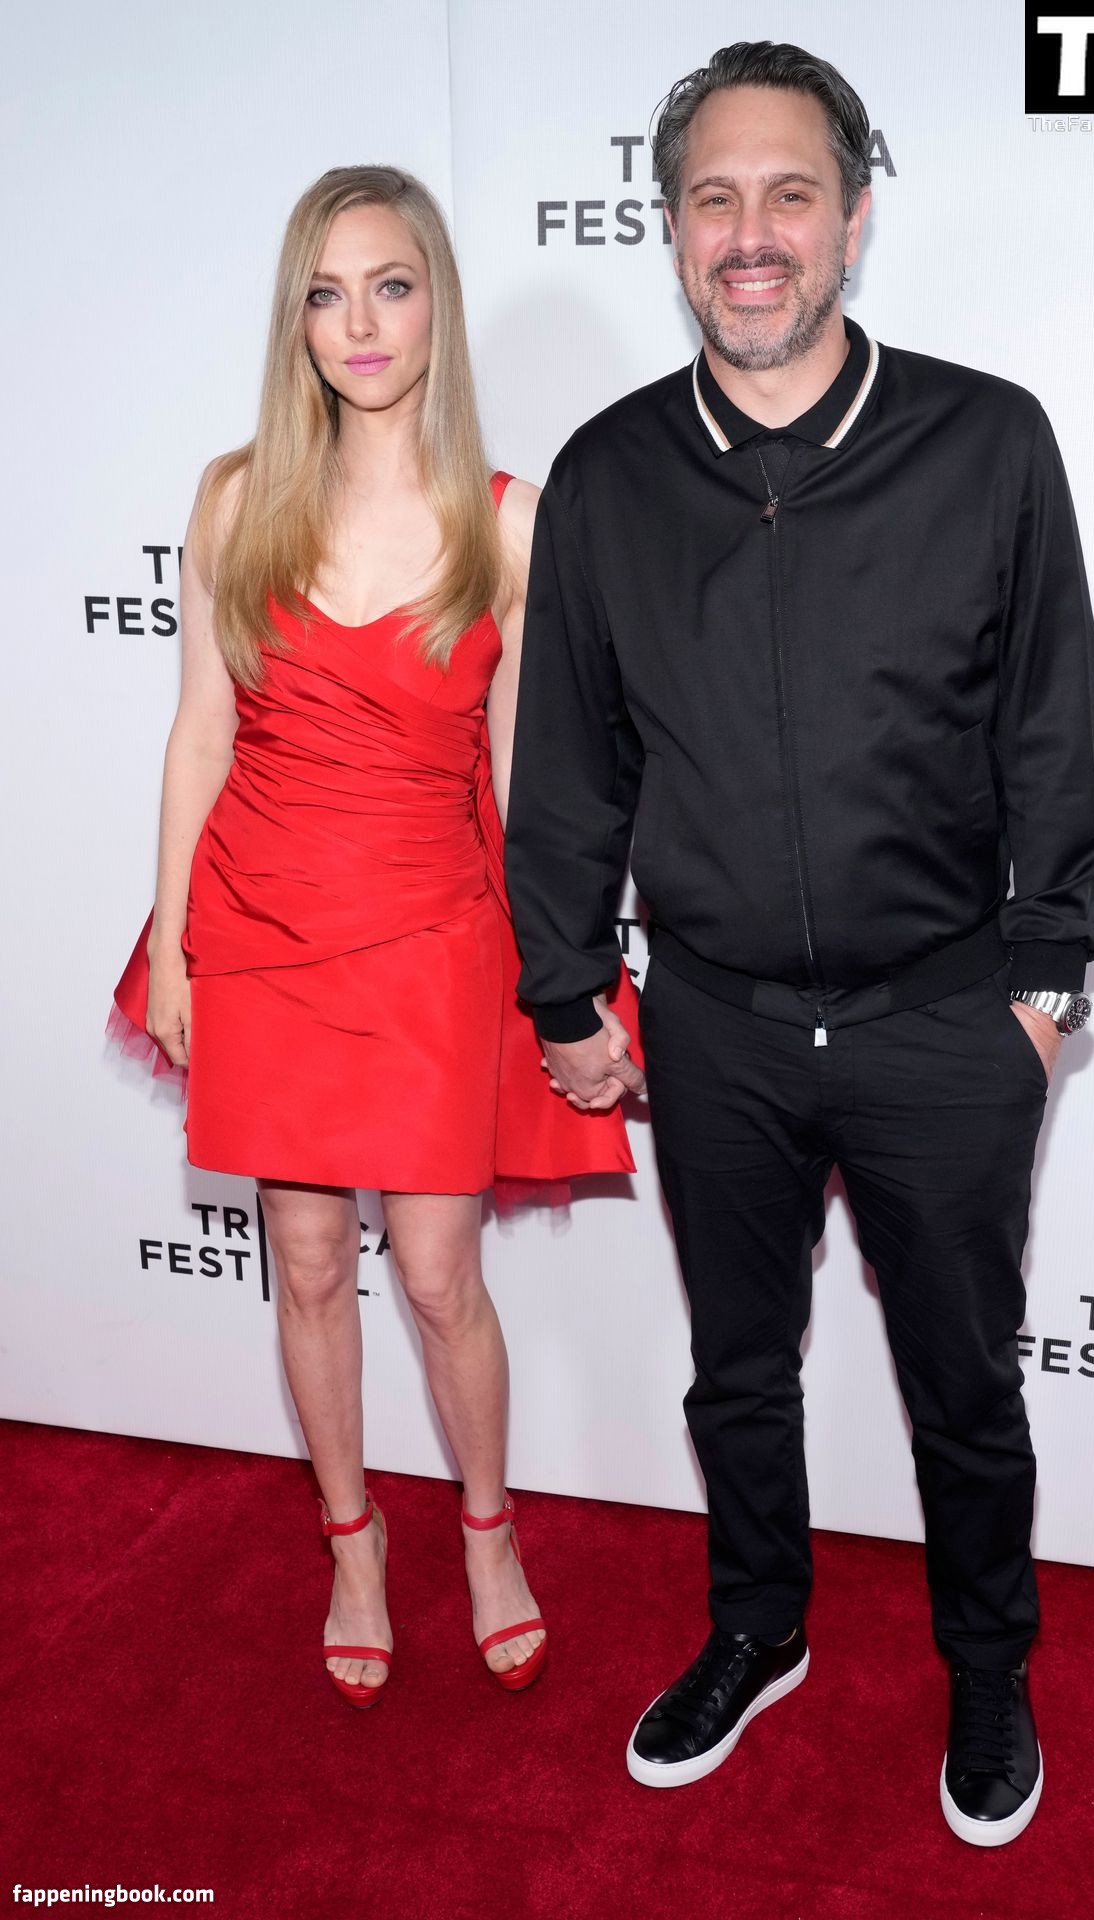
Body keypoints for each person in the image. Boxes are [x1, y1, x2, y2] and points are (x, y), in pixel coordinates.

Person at [504, 42, 1094, 1842]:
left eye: (789, 194)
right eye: (714, 198)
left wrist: (1041, 982)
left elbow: (1050, 729)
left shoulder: (987, 441)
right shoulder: (610, 475)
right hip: (717, 1026)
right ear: (671, 228)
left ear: (854, 217)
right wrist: (566, 987)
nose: (750, 234)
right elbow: (572, 764)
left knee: (964, 1387)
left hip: (945, 1021)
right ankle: (758, 1626)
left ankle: (988, 1670)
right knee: (735, 1370)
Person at [111, 165, 639, 1710]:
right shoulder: (234, 501)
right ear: (298, 320)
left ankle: (485, 1529)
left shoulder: (510, 522)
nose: (359, 323)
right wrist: (178, 948)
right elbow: (200, 735)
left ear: (436, 307)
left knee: (435, 1273)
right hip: (261, 925)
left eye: (390, 286)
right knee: (301, 1258)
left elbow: (527, 785)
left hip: (429, 939)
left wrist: (568, 976)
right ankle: (352, 1542)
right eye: (326, 294)